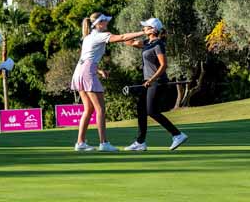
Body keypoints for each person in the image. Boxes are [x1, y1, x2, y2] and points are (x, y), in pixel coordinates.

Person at [72, 12, 150, 152]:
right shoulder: (100, 35)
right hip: (87, 72)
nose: (107, 23)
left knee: (88, 109)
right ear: (99, 23)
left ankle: (80, 143)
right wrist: (143, 32)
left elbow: (87, 58)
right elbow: (122, 37)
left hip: (79, 71)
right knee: (100, 109)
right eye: (105, 21)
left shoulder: (88, 37)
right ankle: (104, 143)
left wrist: (99, 70)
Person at [123, 17, 188, 151]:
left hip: (157, 82)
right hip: (148, 82)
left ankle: (177, 134)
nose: (144, 28)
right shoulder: (147, 43)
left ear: (153, 30)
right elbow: (127, 41)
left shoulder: (158, 44)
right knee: (141, 110)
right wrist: (142, 33)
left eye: (146, 26)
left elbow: (164, 65)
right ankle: (140, 142)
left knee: (151, 111)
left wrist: (152, 79)